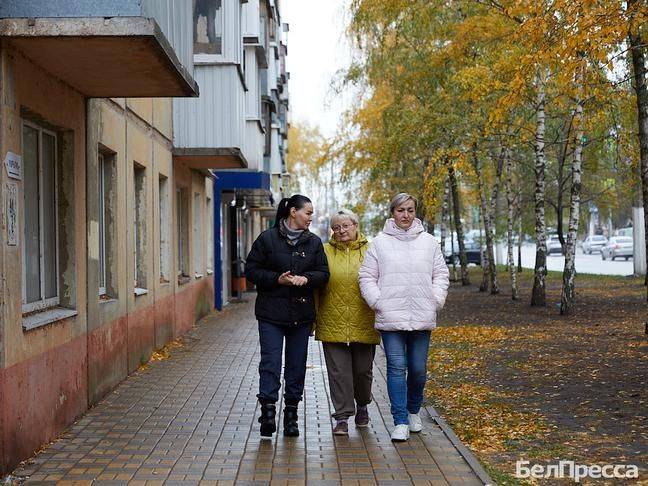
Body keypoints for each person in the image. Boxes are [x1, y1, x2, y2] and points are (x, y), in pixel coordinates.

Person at [359, 193, 449, 442]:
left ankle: (413, 411)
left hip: (422, 315)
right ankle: (399, 420)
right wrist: (378, 302)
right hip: (391, 317)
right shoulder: (379, 243)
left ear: (415, 212)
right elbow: (367, 277)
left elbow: (440, 274)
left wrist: (436, 298)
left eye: (410, 210)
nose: (406, 215)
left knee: (418, 370)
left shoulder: (430, 242)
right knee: (397, 368)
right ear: (392, 213)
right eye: (401, 210)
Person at [244, 195, 329, 438]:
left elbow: (323, 273)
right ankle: (268, 413)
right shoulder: (267, 238)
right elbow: (251, 270)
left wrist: (308, 279)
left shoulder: (313, 242)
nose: (310, 217)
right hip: (271, 313)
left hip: (301, 316)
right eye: (308, 212)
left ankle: (291, 415)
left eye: (312, 214)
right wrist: (276, 279)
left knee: (296, 365)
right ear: (293, 212)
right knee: (270, 363)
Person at [315, 209, 380, 436]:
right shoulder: (323, 252)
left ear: (355, 225)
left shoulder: (372, 250)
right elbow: (316, 286)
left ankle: (362, 404)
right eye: (336, 227)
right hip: (331, 319)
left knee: (363, 371)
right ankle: (342, 417)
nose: (341, 230)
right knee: (338, 373)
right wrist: (313, 319)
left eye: (345, 225)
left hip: (365, 319)